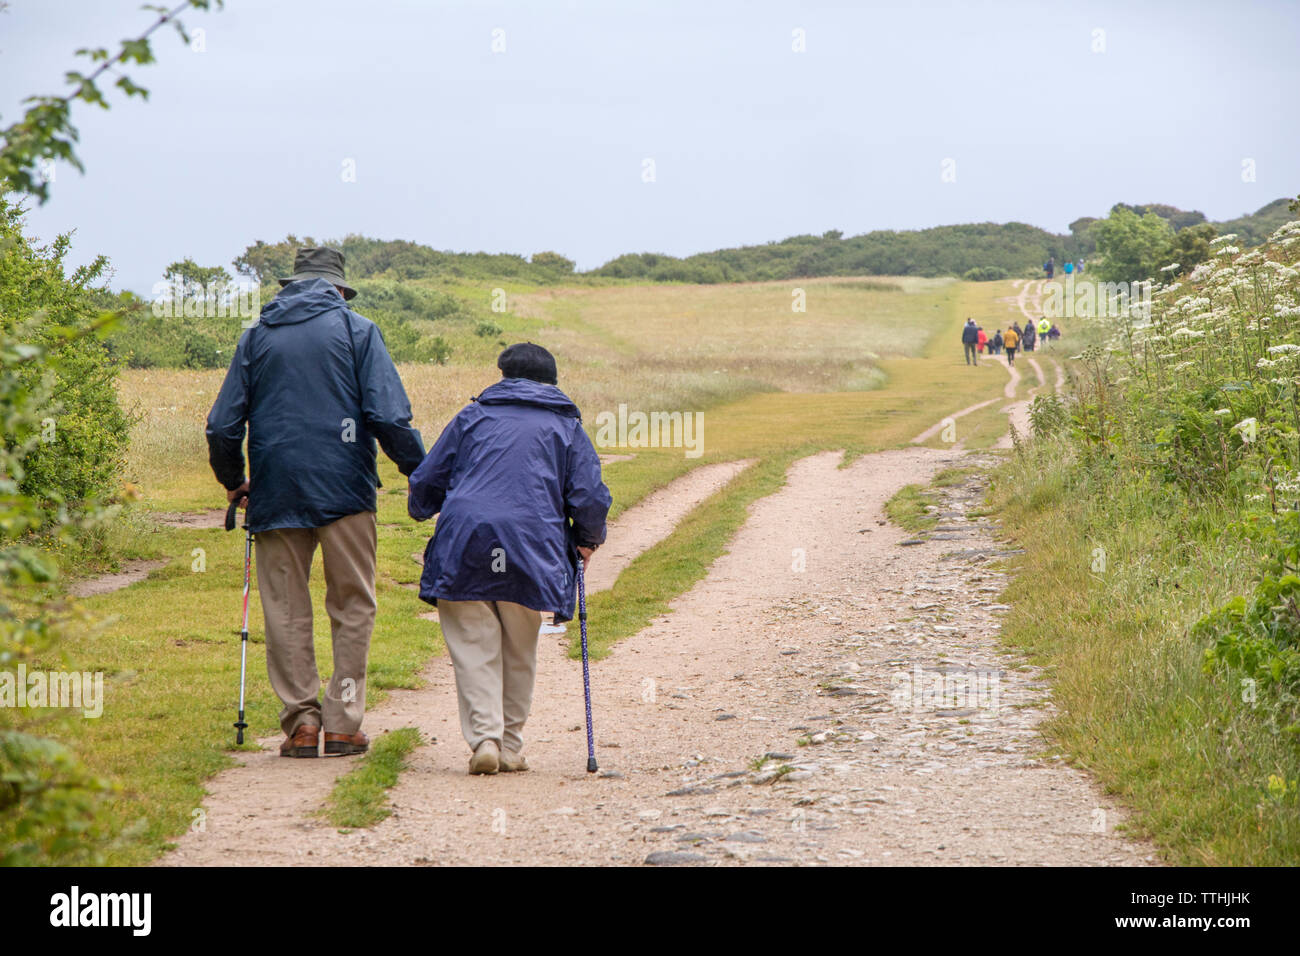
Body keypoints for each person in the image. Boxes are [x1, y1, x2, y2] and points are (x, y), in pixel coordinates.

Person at [206, 247, 426, 758]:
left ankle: (302, 725)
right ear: (339, 291)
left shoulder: (256, 337)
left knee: (284, 607)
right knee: (352, 605)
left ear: (290, 287)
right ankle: (343, 724)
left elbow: (222, 424)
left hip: (276, 489)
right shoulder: (358, 331)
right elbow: (389, 417)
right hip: (346, 490)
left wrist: (235, 479)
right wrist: (420, 472)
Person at [408, 344, 612, 775]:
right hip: (531, 546)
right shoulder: (565, 426)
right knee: (520, 647)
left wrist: (423, 507)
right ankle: (511, 747)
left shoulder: (472, 417)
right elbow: (590, 495)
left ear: (502, 375)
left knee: (473, 645)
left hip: (466, 542)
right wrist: (588, 541)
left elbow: (427, 478)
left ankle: (485, 738)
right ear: (551, 383)